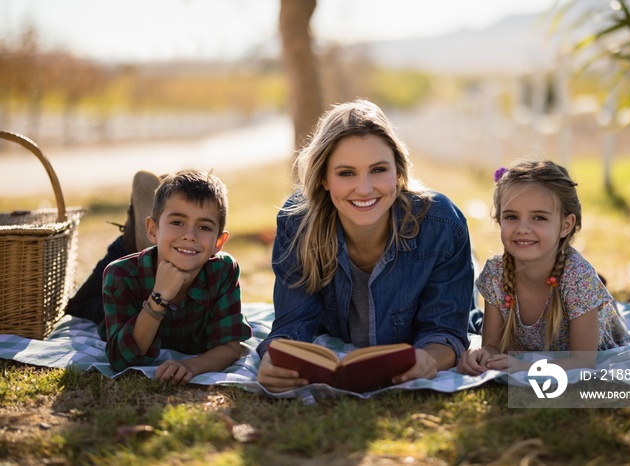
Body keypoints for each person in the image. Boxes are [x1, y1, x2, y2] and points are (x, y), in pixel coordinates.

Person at [256, 99, 475, 393]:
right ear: (323, 178)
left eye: (378, 170)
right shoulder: (297, 223)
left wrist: (428, 359)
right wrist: (275, 359)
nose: (364, 188)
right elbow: (293, 322)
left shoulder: (442, 225)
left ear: (398, 173)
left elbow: (445, 330)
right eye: (346, 173)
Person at [68, 170, 253, 384]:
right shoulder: (120, 275)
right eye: (177, 222)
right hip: (134, 291)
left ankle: (142, 238)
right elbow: (121, 360)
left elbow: (231, 347)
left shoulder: (224, 270)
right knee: (80, 306)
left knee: (171, 249)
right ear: (152, 229)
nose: (190, 235)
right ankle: (133, 239)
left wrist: (191, 366)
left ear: (219, 243)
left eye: (204, 227)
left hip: (161, 250)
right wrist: (158, 297)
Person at [457, 160, 630, 376]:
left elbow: (584, 361)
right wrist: (481, 355)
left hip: (587, 350)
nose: (523, 228)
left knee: (584, 289)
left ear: (566, 225)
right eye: (511, 217)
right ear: (499, 221)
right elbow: (493, 346)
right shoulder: (496, 273)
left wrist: (527, 368)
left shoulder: (577, 277)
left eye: (539, 217)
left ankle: (597, 297)